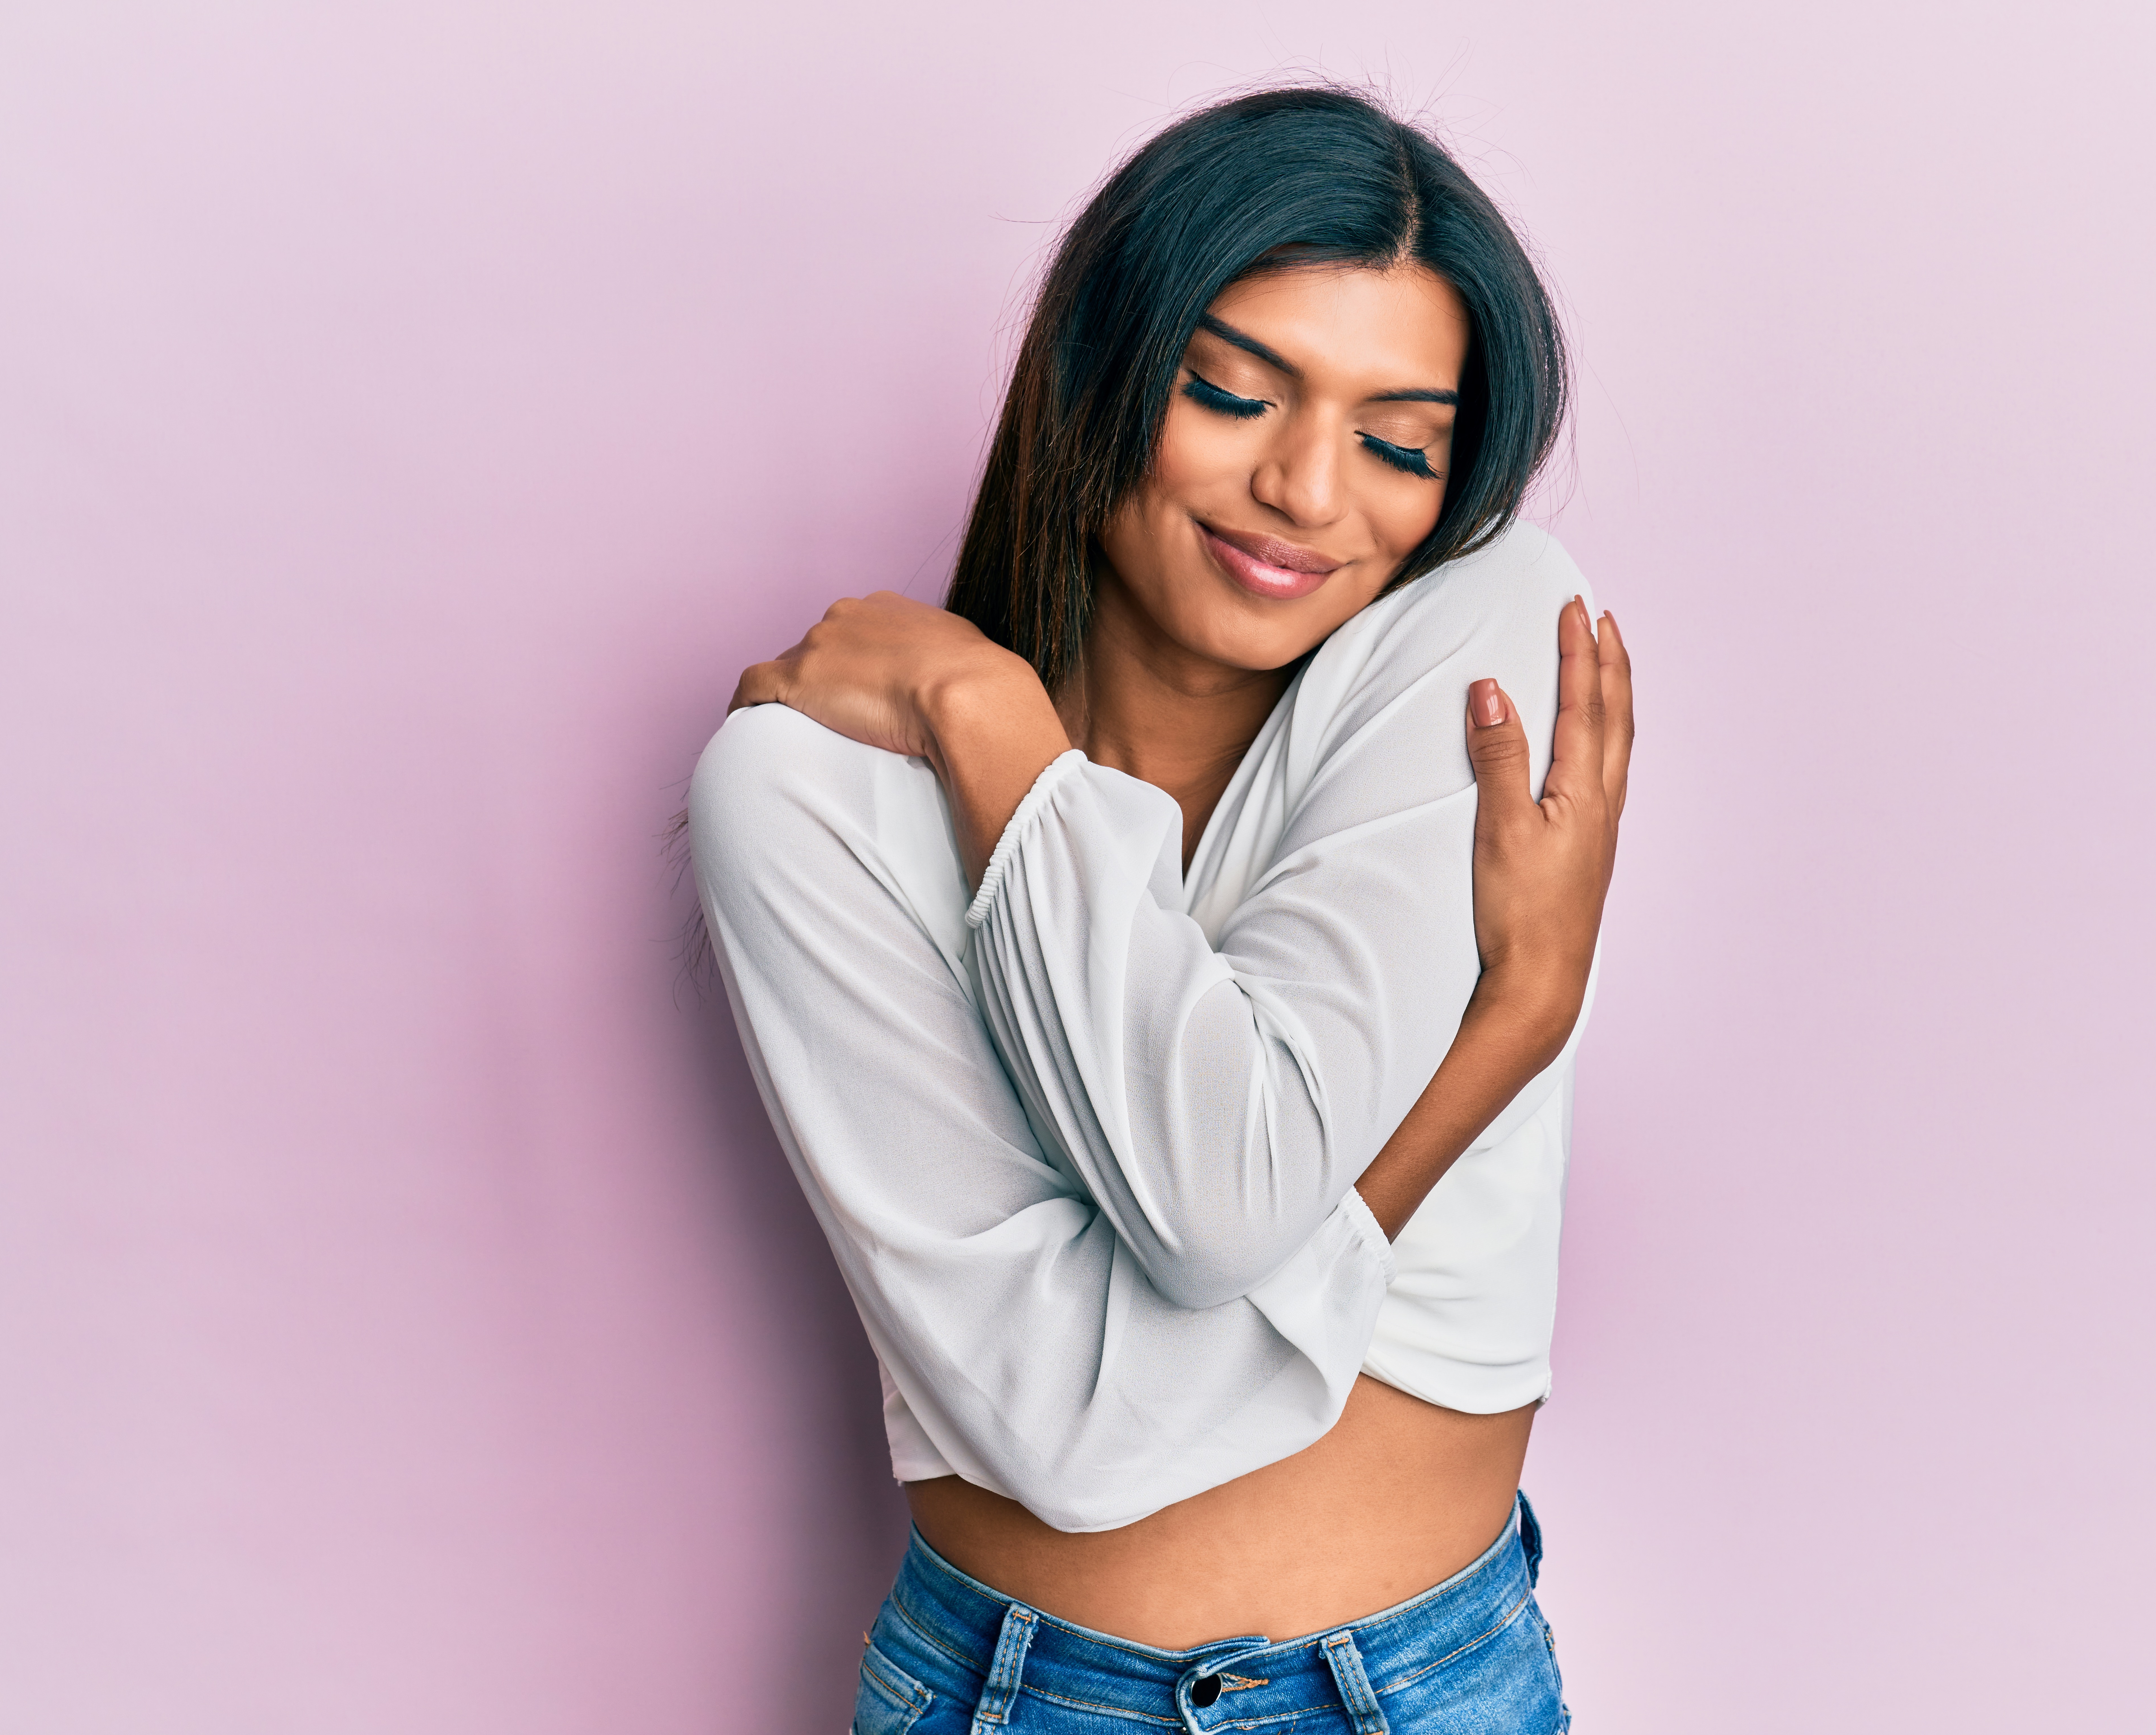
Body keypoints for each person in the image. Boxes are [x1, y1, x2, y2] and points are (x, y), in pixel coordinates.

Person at [689, 85, 1631, 1734]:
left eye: (1399, 442)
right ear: (1101, 376)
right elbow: (1079, 1427)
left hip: (1436, 1686)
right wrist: (1504, 1034)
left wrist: (994, 730)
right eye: (1230, 393)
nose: (1308, 491)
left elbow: (1226, 1201)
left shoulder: (1484, 646)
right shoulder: (807, 798)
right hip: (1024, 1697)